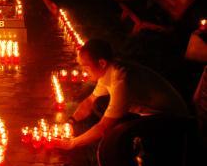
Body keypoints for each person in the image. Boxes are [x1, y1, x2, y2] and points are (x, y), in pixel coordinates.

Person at [52, 39, 189, 150]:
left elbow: (103, 127)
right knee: (99, 103)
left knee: (117, 135)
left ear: (101, 63)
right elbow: (89, 102)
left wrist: (72, 143)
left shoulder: (121, 80)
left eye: (85, 67)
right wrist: (71, 121)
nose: (83, 70)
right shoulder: (108, 71)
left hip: (171, 119)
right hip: (149, 110)